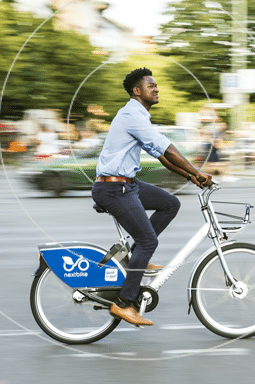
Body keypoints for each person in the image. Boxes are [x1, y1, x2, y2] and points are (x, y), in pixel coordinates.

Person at [92, 68, 213, 326]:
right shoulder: (132, 115)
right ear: (137, 91)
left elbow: (161, 156)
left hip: (127, 184)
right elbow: (167, 148)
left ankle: (139, 258)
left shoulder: (138, 116)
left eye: (157, 85)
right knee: (148, 240)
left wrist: (191, 177)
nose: (156, 89)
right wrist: (197, 171)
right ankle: (124, 303)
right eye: (151, 85)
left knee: (170, 203)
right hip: (114, 188)